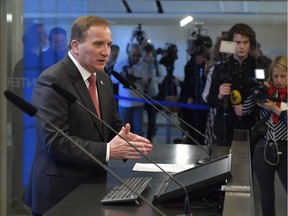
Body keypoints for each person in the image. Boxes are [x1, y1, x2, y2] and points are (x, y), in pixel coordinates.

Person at [24, 16, 152, 216]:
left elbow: (112, 124)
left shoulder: (103, 79)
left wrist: (126, 139)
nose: (106, 51)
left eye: (109, 44)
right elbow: (55, 141)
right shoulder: (52, 80)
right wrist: (109, 150)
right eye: (98, 44)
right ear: (75, 45)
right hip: (59, 195)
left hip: (95, 186)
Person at [243, 56, 287, 216]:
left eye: (284, 76)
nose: (279, 80)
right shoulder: (266, 91)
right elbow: (245, 110)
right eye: (276, 76)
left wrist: (275, 109)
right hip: (263, 148)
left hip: (286, 149)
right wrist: (256, 92)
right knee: (267, 198)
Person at [207, 23, 257, 146]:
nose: (242, 47)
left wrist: (247, 108)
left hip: (251, 126)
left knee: (247, 163)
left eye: (245, 42)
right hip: (225, 125)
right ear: (231, 43)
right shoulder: (220, 67)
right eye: (238, 42)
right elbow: (210, 101)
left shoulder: (258, 65)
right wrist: (220, 94)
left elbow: (264, 97)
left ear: (250, 43)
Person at [114, 43, 149, 136]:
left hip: (138, 102)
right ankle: (124, 149)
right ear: (129, 53)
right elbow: (113, 80)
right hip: (123, 103)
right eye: (134, 55)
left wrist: (135, 74)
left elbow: (145, 80)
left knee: (138, 130)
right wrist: (122, 75)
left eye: (138, 55)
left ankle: (140, 149)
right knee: (124, 130)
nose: (136, 57)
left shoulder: (144, 65)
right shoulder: (120, 64)